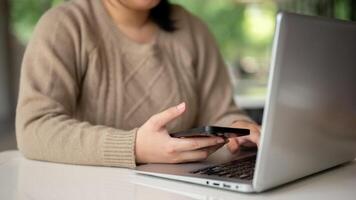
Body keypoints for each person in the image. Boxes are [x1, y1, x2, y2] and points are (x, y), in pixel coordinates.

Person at [16, 0, 260, 168]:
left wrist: (237, 127)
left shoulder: (192, 29)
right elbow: (35, 127)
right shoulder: (64, 26)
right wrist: (133, 148)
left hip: (181, 189)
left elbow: (220, 111)